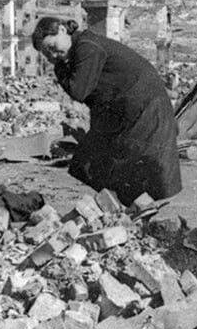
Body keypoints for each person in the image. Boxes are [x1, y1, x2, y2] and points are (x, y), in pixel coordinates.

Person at [33, 14, 182, 205]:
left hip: (142, 106)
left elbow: (79, 90)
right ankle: (128, 209)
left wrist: (60, 70)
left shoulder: (87, 47)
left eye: (52, 48)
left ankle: (138, 211)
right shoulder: (82, 48)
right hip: (125, 108)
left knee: (128, 163)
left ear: (62, 30)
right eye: (47, 55)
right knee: (92, 161)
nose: (53, 56)